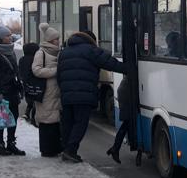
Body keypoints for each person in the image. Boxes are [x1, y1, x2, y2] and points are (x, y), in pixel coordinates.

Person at [57, 29, 125, 163]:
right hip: (84, 93)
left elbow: (59, 74)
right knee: (80, 123)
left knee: (68, 123)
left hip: (67, 94)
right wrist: (129, 68)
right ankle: (71, 151)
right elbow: (110, 63)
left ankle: (66, 149)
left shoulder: (64, 52)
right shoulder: (90, 50)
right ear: (91, 39)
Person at [0, 25, 26, 157]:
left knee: (13, 118)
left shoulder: (11, 51)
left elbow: (16, 71)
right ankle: (0, 146)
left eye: (10, 35)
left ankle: (11, 143)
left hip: (12, 90)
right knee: (1, 119)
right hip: (0, 92)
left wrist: (20, 87)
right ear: (0, 38)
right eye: (7, 36)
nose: (10, 37)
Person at [31, 23, 63, 158]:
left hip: (56, 92)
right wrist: (55, 71)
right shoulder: (41, 52)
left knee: (55, 121)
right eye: (56, 39)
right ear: (50, 40)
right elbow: (36, 70)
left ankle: (54, 148)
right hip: (45, 92)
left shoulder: (58, 52)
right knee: (46, 121)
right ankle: (47, 150)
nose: (58, 41)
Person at [106, 72, 140, 166]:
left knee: (127, 126)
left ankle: (115, 149)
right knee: (128, 125)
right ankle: (115, 149)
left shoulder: (130, 75)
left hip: (126, 95)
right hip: (127, 97)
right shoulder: (132, 74)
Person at [19, 41, 40, 126]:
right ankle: (33, 119)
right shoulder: (35, 59)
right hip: (34, 82)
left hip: (25, 82)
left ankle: (27, 114)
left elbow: (20, 71)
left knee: (29, 99)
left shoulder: (22, 59)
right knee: (35, 100)